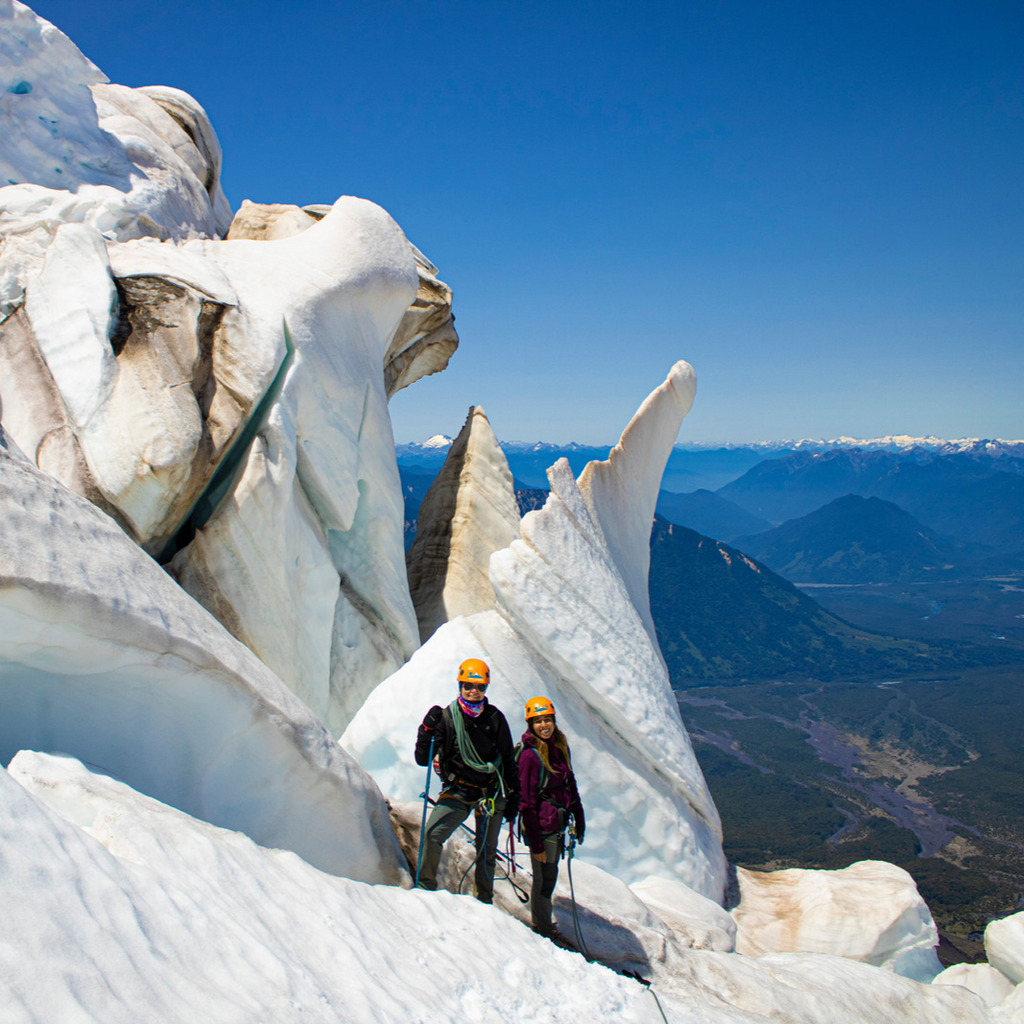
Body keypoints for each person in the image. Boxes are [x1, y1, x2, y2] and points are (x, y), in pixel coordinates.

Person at [414, 658, 519, 903]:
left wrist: (514, 797)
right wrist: (426, 731)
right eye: (468, 685)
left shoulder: (494, 718)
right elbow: (423, 758)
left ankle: (484, 900)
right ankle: (424, 889)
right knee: (432, 835)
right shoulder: (447, 718)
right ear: (460, 685)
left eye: (480, 687)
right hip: (459, 791)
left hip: (490, 794)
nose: (474, 691)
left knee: (487, 851)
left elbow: (507, 759)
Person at [517, 695, 585, 939]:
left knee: (551, 874)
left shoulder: (559, 747)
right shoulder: (529, 757)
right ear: (530, 725)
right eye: (538, 722)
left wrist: (578, 814)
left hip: (555, 823)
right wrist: (535, 844)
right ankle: (542, 927)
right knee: (544, 879)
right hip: (541, 828)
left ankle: (543, 923)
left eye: (547, 720)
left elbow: (570, 781)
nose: (544, 725)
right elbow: (527, 803)